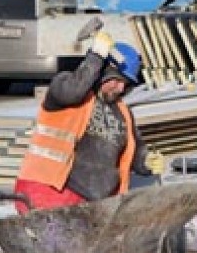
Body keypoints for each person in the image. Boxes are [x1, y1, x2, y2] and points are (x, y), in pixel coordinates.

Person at [13, 31, 165, 214]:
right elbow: (74, 90)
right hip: (50, 188)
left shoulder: (123, 113)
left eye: (126, 84)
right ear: (103, 72)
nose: (121, 88)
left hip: (94, 202)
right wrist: (96, 56)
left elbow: (134, 149)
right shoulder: (65, 89)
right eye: (116, 80)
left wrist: (145, 161)